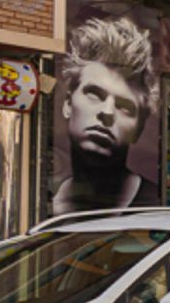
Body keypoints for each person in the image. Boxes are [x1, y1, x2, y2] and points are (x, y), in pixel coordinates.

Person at [51, 16, 163, 215]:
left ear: (139, 127)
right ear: (68, 103)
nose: (107, 112)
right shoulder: (48, 201)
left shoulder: (154, 211)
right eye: (94, 94)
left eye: (125, 106)